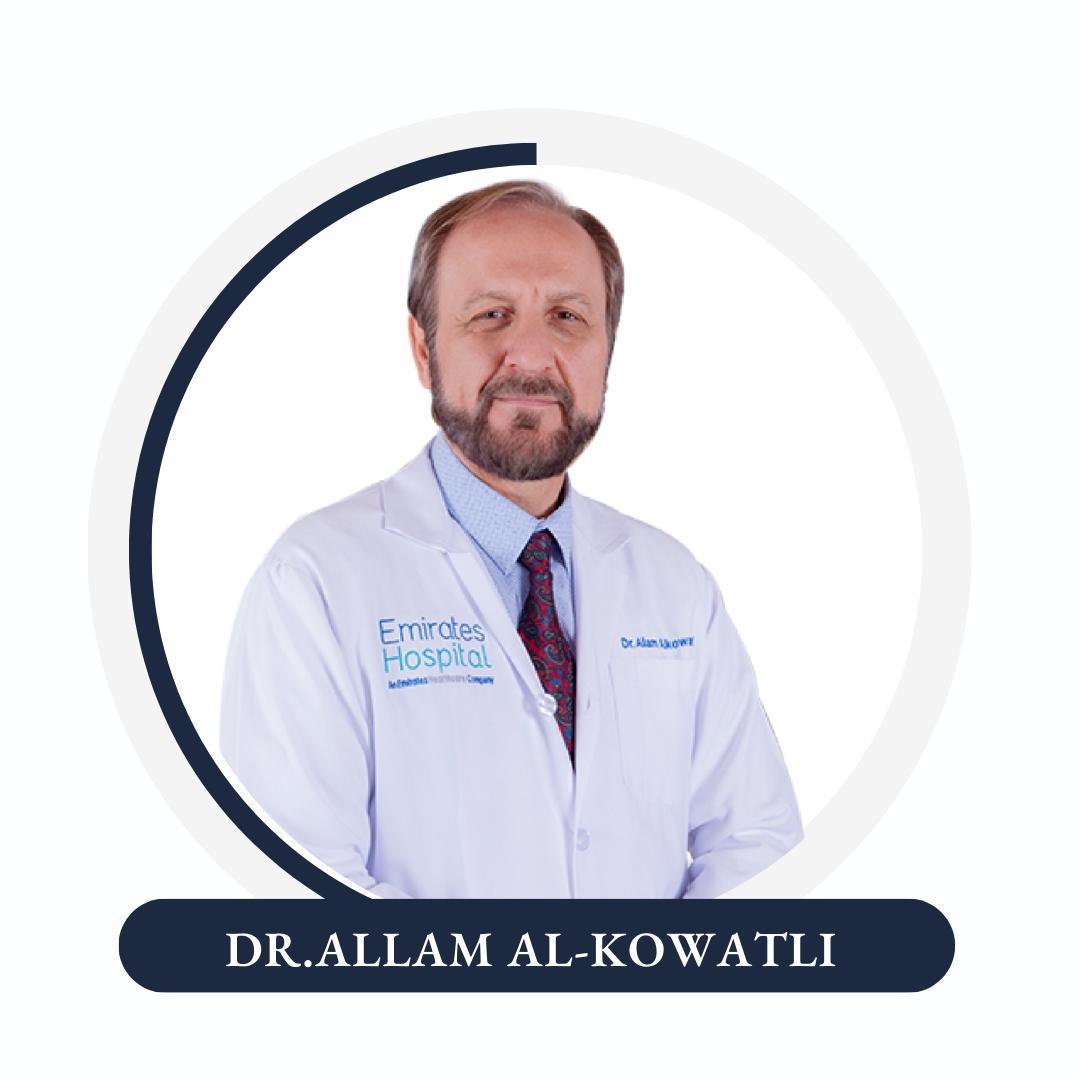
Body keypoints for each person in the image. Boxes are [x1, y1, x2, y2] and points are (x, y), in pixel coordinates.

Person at [221, 180, 803, 899]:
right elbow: (297, 880)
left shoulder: (675, 585)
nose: (530, 355)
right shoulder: (315, 582)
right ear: (423, 348)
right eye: (491, 315)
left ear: (607, 352)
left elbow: (756, 844)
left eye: (567, 317)